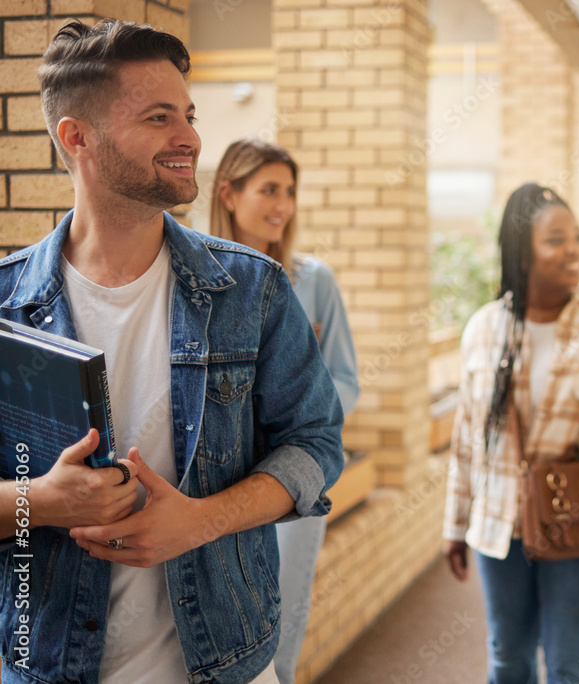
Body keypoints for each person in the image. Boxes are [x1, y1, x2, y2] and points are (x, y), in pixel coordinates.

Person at [0, 20, 342, 684]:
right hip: (44, 665)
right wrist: (38, 503)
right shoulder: (5, 306)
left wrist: (201, 522)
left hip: (229, 662)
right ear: (77, 138)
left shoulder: (253, 289)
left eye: (187, 114)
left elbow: (317, 442)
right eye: (159, 118)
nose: (189, 137)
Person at [442, 182, 579, 684]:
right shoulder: (485, 328)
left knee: (570, 664)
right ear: (522, 251)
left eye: (577, 237)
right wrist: (456, 522)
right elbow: (467, 437)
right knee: (507, 660)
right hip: (498, 519)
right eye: (556, 239)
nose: (574, 249)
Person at [209, 138, 360, 684]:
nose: (284, 205)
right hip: (214, 482)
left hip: (287, 481)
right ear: (228, 193)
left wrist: (297, 422)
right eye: (269, 189)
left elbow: (344, 377)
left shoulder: (313, 281)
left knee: (281, 633)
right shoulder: (194, 281)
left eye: (290, 191)